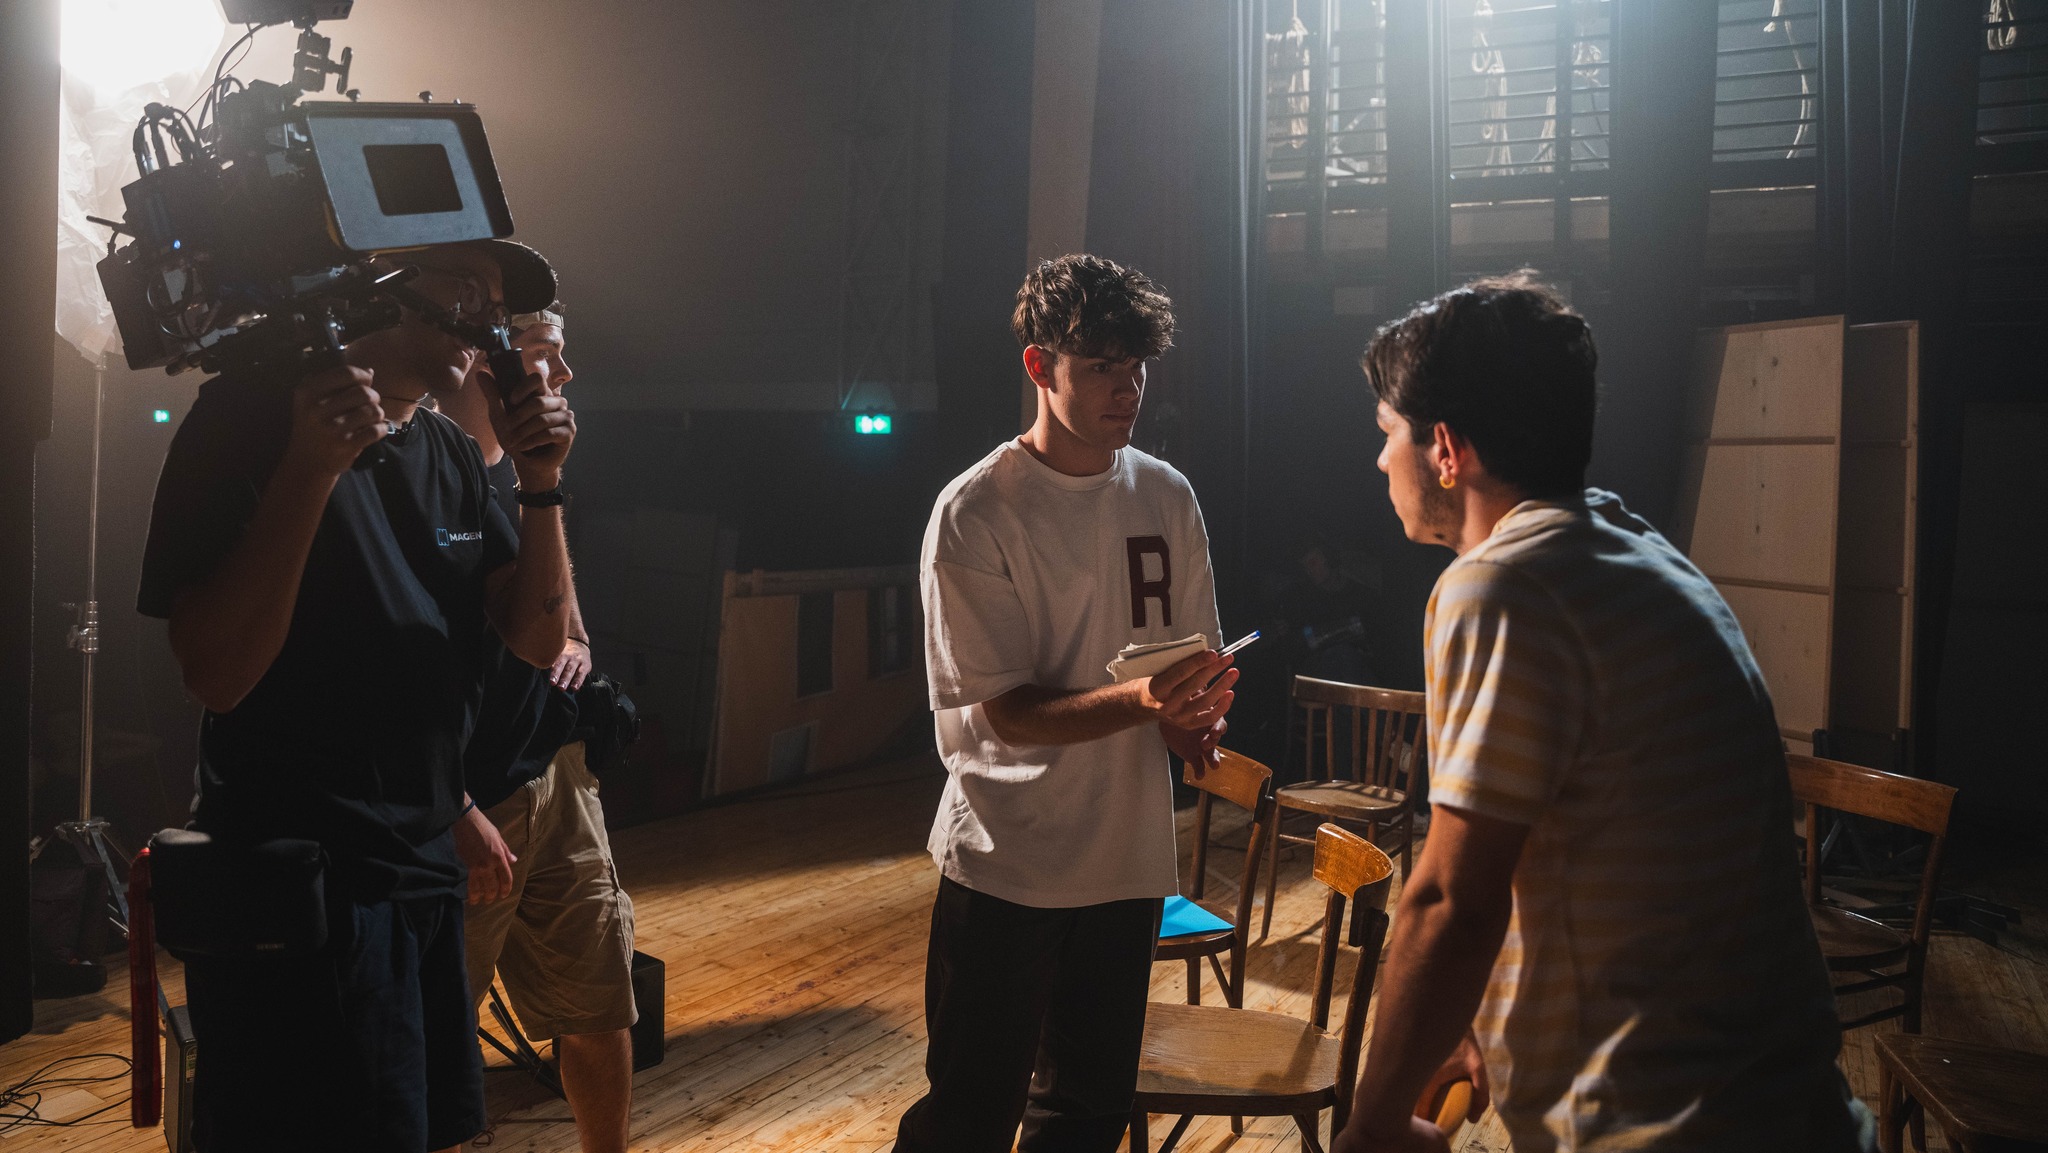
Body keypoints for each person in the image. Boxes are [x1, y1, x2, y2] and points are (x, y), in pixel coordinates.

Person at [1329, 273, 1870, 1153]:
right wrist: (1466, 1018)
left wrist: (1376, 1122)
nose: (1379, 459)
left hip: (1669, 1129)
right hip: (1792, 1113)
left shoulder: (1503, 585)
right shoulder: (1639, 556)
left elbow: (1453, 898)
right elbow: (1590, 848)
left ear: (1446, 449)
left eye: (1387, 432)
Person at [137, 240, 576, 1153]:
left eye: (497, 305)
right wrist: (312, 468)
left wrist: (540, 484)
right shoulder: (248, 418)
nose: (487, 323)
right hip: (301, 890)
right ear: (386, 284)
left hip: (421, 878)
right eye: (468, 290)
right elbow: (215, 674)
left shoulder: (451, 450)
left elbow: (538, 640)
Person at [891, 254, 1238, 1153]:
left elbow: (1188, 666)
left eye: (1137, 365)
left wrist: (1192, 720)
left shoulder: (1166, 493)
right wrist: (1146, 699)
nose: (1128, 389)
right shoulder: (976, 510)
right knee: (967, 1115)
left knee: (1085, 1114)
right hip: (1008, 859)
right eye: (1101, 366)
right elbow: (1005, 713)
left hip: (1126, 859)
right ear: (1039, 366)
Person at [434, 299, 638, 1153]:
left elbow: (549, 605)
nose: (565, 374)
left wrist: (576, 635)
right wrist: (450, 803)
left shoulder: (503, 475)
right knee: (437, 1033)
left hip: (554, 774)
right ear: (489, 364)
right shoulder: (413, 470)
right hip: (470, 802)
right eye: (546, 354)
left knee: (598, 1004)